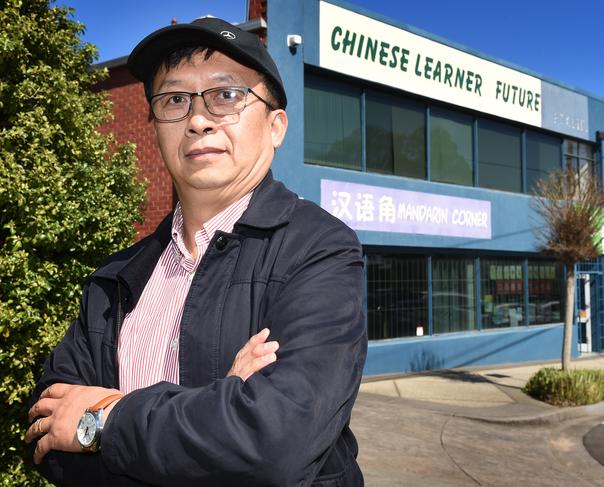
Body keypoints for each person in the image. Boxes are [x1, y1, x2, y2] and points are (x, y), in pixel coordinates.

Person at [25, 16, 367, 486]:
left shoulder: (319, 249)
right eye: (174, 100)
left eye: (226, 96)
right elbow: (46, 431)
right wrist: (219, 405)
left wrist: (102, 421)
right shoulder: (118, 274)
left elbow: (273, 447)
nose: (198, 120)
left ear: (275, 126)